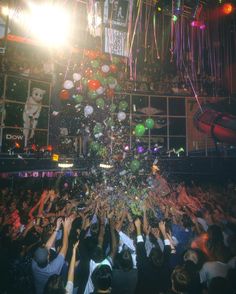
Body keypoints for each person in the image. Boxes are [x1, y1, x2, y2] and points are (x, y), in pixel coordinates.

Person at [32, 217, 72, 294]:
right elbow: (65, 247)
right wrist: (66, 229)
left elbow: (47, 246)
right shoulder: (53, 269)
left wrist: (57, 228)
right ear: (48, 257)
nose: (47, 249)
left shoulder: (34, 263)